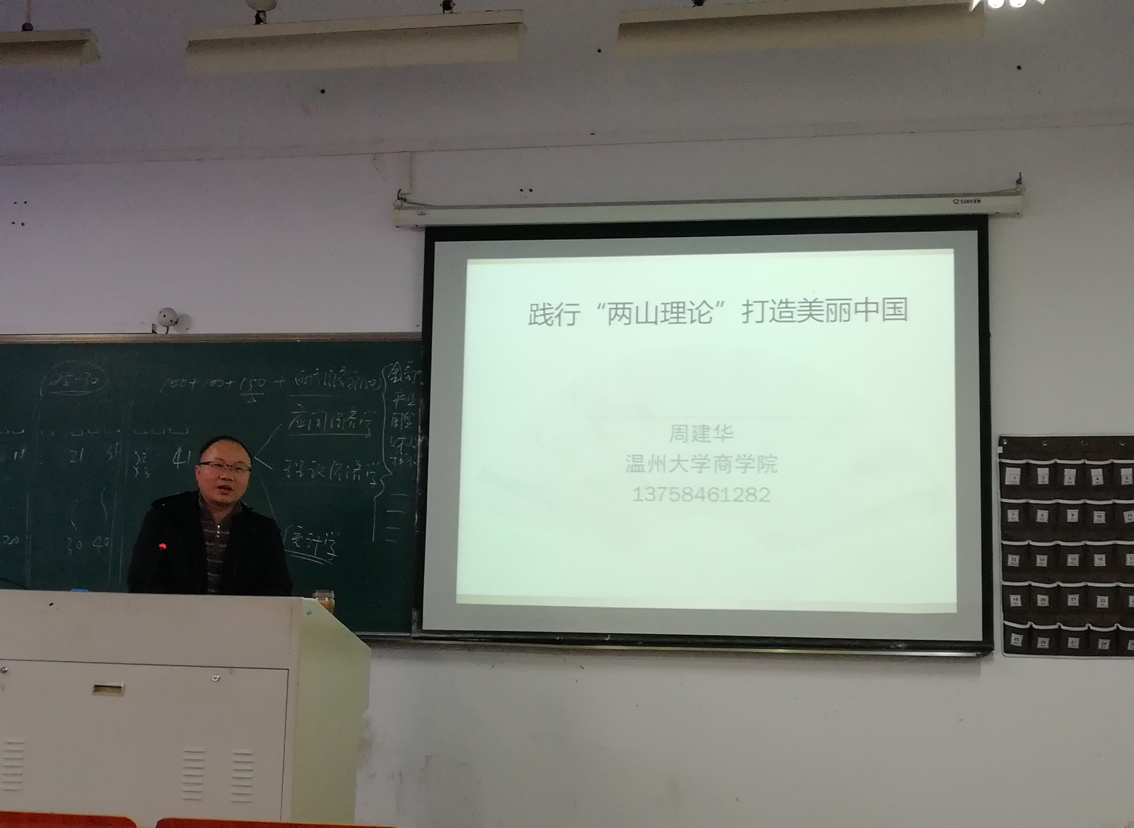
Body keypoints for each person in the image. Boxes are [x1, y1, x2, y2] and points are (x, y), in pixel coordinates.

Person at [127, 435, 292, 596]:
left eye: (239, 468)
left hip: (240, 615)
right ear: (198, 472)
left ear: (248, 477)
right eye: (218, 465)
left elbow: (277, 591)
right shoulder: (164, 520)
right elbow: (143, 583)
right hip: (173, 614)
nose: (227, 476)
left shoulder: (263, 531)